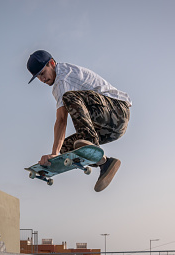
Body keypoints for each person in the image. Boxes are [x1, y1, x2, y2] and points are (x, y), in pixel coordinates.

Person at [27, 50, 131, 192]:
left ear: (51, 63)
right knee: (65, 150)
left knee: (69, 97)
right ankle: (105, 163)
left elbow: (62, 120)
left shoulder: (62, 78)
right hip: (109, 128)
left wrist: (53, 152)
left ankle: (90, 142)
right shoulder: (60, 80)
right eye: (38, 76)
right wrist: (56, 155)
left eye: (43, 73)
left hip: (118, 111)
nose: (42, 79)